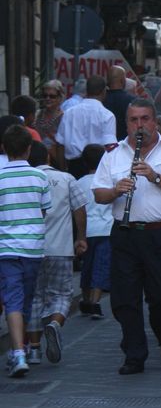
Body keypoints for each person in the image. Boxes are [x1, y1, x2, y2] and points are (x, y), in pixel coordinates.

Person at [92, 99, 161, 374]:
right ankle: (134, 354)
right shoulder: (113, 153)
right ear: (126, 124)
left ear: (155, 121)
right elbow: (99, 194)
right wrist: (115, 190)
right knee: (125, 299)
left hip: (160, 233)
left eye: (145, 119)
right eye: (134, 120)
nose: (140, 125)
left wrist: (155, 177)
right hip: (125, 234)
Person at [25, 142, 87, 367]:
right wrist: (81, 238)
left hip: (32, 249)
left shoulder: (25, 180)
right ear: (48, 158)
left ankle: (33, 349)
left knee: (34, 297)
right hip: (61, 248)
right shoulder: (66, 179)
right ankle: (55, 324)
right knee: (62, 294)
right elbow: (79, 209)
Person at [0, 126, 51, 378]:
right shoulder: (40, 177)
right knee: (26, 299)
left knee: (12, 299)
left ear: (4, 148)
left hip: (6, 248)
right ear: (29, 149)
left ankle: (18, 352)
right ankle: (21, 349)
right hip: (33, 248)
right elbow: (43, 210)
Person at [54, 75, 116, 178]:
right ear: (104, 91)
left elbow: (60, 144)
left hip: (74, 167)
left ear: (87, 91)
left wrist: (63, 170)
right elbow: (110, 146)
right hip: (98, 167)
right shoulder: (107, 115)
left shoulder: (69, 113)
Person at [76, 144, 111, 319]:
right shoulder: (108, 181)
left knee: (87, 266)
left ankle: (85, 300)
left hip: (87, 231)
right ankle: (96, 302)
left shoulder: (79, 183)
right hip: (106, 229)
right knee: (101, 266)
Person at [34, 80, 64, 163]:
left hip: (55, 160)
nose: (48, 99)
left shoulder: (64, 118)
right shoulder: (37, 114)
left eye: (52, 96)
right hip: (36, 159)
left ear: (60, 98)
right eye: (45, 95)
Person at [104, 65, 134, 140]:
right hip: (125, 142)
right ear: (122, 80)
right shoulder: (132, 100)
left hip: (104, 143)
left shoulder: (101, 99)